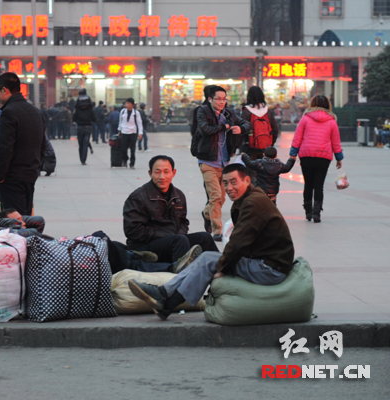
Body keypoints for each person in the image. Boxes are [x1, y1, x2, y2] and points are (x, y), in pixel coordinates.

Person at [128, 163, 294, 320]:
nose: (229, 188)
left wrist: (223, 267)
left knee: (209, 259)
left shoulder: (254, 203)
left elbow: (238, 242)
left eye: (234, 182)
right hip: (261, 261)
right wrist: (224, 263)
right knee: (208, 257)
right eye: (225, 183)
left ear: (247, 180)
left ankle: (165, 301)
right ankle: (164, 297)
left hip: (270, 268)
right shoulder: (246, 200)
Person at [123, 155, 219, 267]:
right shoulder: (138, 197)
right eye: (157, 172)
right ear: (150, 173)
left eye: (166, 172)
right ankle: (180, 279)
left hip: (174, 240)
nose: (162, 176)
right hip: (145, 246)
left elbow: (183, 222)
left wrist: (178, 235)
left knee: (204, 237)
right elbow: (132, 230)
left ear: (173, 173)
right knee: (179, 241)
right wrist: (169, 236)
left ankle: (221, 270)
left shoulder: (178, 196)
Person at [194, 85, 250, 241]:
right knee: (216, 196)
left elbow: (247, 124)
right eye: (218, 99)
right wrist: (223, 126)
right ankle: (217, 231)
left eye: (224, 99)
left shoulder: (229, 113)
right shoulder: (203, 112)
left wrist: (240, 128)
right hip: (207, 161)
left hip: (224, 163)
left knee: (222, 199)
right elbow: (205, 129)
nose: (221, 102)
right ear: (210, 99)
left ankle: (207, 213)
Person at [0, 72, 47, 216]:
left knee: (15, 221)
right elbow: (43, 145)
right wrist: (35, 167)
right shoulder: (35, 111)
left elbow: (5, 147)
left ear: (5, 90)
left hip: (13, 177)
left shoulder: (9, 112)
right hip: (30, 174)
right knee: (26, 218)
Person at [290, 95, 344, 223]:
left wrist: (293, 153)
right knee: (319, 186)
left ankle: (308, 212)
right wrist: (339, 158)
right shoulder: (332, 121)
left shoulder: (305, 118)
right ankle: (317, 214)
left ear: (312, 104)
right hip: (323, 157)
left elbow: (297, 138)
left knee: (308, 184)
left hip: (306, 156)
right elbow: (336, 142)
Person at [240, 86, 279, 161]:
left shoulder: (246, 111)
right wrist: (270, 143)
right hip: (266, 148)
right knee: (264, 170)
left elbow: (241, 132)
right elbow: (275, 130)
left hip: (250, 149)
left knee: (251, 171)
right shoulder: (268, 111)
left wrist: (236, 148)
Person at [73, 89, 96, 165]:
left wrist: (78, 121)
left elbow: (74, 118)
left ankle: (81, 158)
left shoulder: (78, 104)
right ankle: (84, 160)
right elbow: (94, 118)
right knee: (85, 143)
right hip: (88, 127)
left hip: (80, 127)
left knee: (81, 144)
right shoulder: (89, 104)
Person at [118, 98, 143, 169]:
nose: (127, 104)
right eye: (126, 103)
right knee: (123, 148)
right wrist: (119, 130)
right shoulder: (122, 111)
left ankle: (132, 163)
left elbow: (139, 123)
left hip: (133, 132)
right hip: (124, 132)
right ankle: (125, 159)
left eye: (128, 103)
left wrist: (140, 133)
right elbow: (120, 121)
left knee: (132, 149)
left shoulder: (136, 113)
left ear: (132, 104)